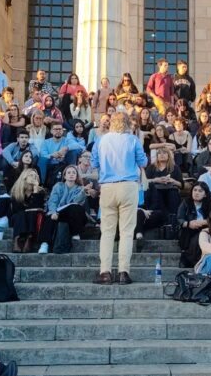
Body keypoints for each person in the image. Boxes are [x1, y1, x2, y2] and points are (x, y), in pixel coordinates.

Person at [91, 112, 148, 285]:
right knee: (126, 231)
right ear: (126, 124)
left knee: (107, 232)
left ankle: (105, 272)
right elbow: (144, 162)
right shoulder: (132, 140)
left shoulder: (101, 140)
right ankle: (124, 272)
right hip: (128, 186)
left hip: (108, 186)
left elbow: (94, 163)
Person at [41, 165, 89, 254]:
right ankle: (44, 244)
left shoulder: (79, 188)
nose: (71, 174)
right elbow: (53, 201)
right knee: (49, 217)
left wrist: (83, 192)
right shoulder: (58, 186)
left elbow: (77, 202)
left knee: (75, 207)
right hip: (59, 212)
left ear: (76, 176)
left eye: (74, 173)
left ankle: (75, 232)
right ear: (64, 176)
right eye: (69, 173)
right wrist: (53, 212)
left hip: (72, 215)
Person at [177, 182, 211, 267]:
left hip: (205, 229)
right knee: (187, 232)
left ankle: (186, 258)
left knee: (201, 235)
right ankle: (189, 258)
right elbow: (179, 218)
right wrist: (188, 223)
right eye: (195, 190)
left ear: (205, 194)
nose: (196, 193)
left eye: (200, 191)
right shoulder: (186, 202)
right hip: (189, 229)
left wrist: (203, 222)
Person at [143, 148, 183, 229]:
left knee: (173, 193)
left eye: (164, 153)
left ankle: (173, 221)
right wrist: (156, 180)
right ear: (157, 156)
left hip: (170, 189)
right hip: (156, 190)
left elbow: (181, 185)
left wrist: (173, 181)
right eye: (159, 153)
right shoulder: (151, 167)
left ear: (169, 156)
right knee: (157, 193)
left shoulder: (175, 168)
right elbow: (145, 181)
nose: (162, 155)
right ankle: (160, 220)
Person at [8, 169, 46, 253]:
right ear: (24, 177)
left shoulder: (41, 192)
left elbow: (38, 208)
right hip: (18, 217)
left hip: (33, 218)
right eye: (31, 175)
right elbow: (16, 209)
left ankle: (29, 238)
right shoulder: (16, 191)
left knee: (32, 214)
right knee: (21, 214)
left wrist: (35, 191)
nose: (34, 178)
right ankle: (17, 239)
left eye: (35, 176)